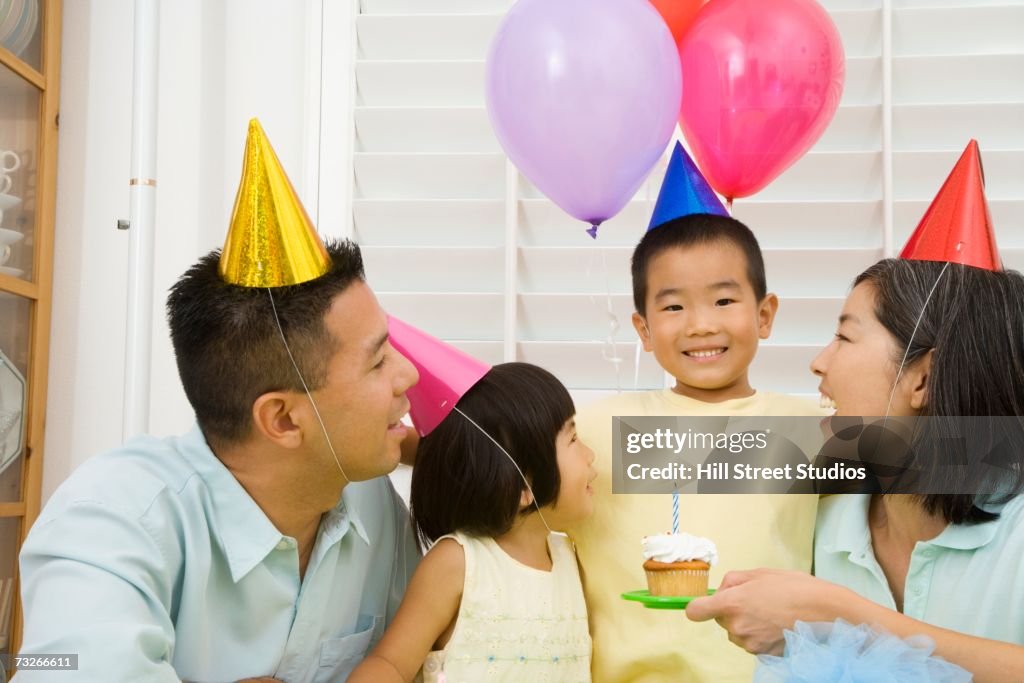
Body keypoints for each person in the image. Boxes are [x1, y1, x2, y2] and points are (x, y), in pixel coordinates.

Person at [15, 121, 420, 682]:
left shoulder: (369, 499)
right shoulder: (108, 517)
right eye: (378, 361)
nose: (410, 373)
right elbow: (41, 665)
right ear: (281, 418)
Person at [686, 258, 1024, 682]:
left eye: (845, 337)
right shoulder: (820, 521)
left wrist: (846, 618)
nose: (819, 362)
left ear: (923, 379)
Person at [570, 206, 826, 680]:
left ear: (764, 314)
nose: (701, 324)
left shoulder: (814, 432)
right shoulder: (589, 431)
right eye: (673, 306)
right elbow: (489, 460)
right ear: (643, 329)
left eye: (724, 301)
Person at [350, 362, 596, 682]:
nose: (591, 454)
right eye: (574, 439)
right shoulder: (458, 561)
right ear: (523, 486)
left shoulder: (570, 557)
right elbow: (390, 664)